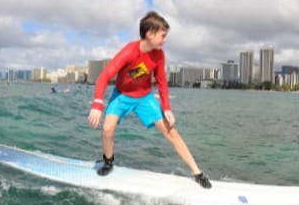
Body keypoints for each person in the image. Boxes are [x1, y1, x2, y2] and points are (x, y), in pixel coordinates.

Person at [87, 11, 212, 189]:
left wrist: (167, 108)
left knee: (171, 131)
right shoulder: (129, 51)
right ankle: (108, 161)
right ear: (149, 34)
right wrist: (97, 104)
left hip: (145, 97)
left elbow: (161, 82)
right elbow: (104, 75)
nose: (165, 40)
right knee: (107, 129)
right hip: (121, 96)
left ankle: (197, 172)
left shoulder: (159, 55)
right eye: (163, 35)